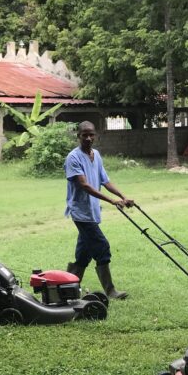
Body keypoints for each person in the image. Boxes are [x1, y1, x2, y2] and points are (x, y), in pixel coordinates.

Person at [64, 120, 134, 299]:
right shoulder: (73, 158)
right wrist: (112, 201)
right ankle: (110, 291)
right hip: (80, 212)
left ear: (95, 135)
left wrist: (122, 197)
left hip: (93, 211)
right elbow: (84, 185)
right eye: (84, 134)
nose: (88, 138)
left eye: (91, 134)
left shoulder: (96, 155)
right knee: (102, 247)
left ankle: (68, 289)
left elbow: (105, 181)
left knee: (83, 254)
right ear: (78, 136)